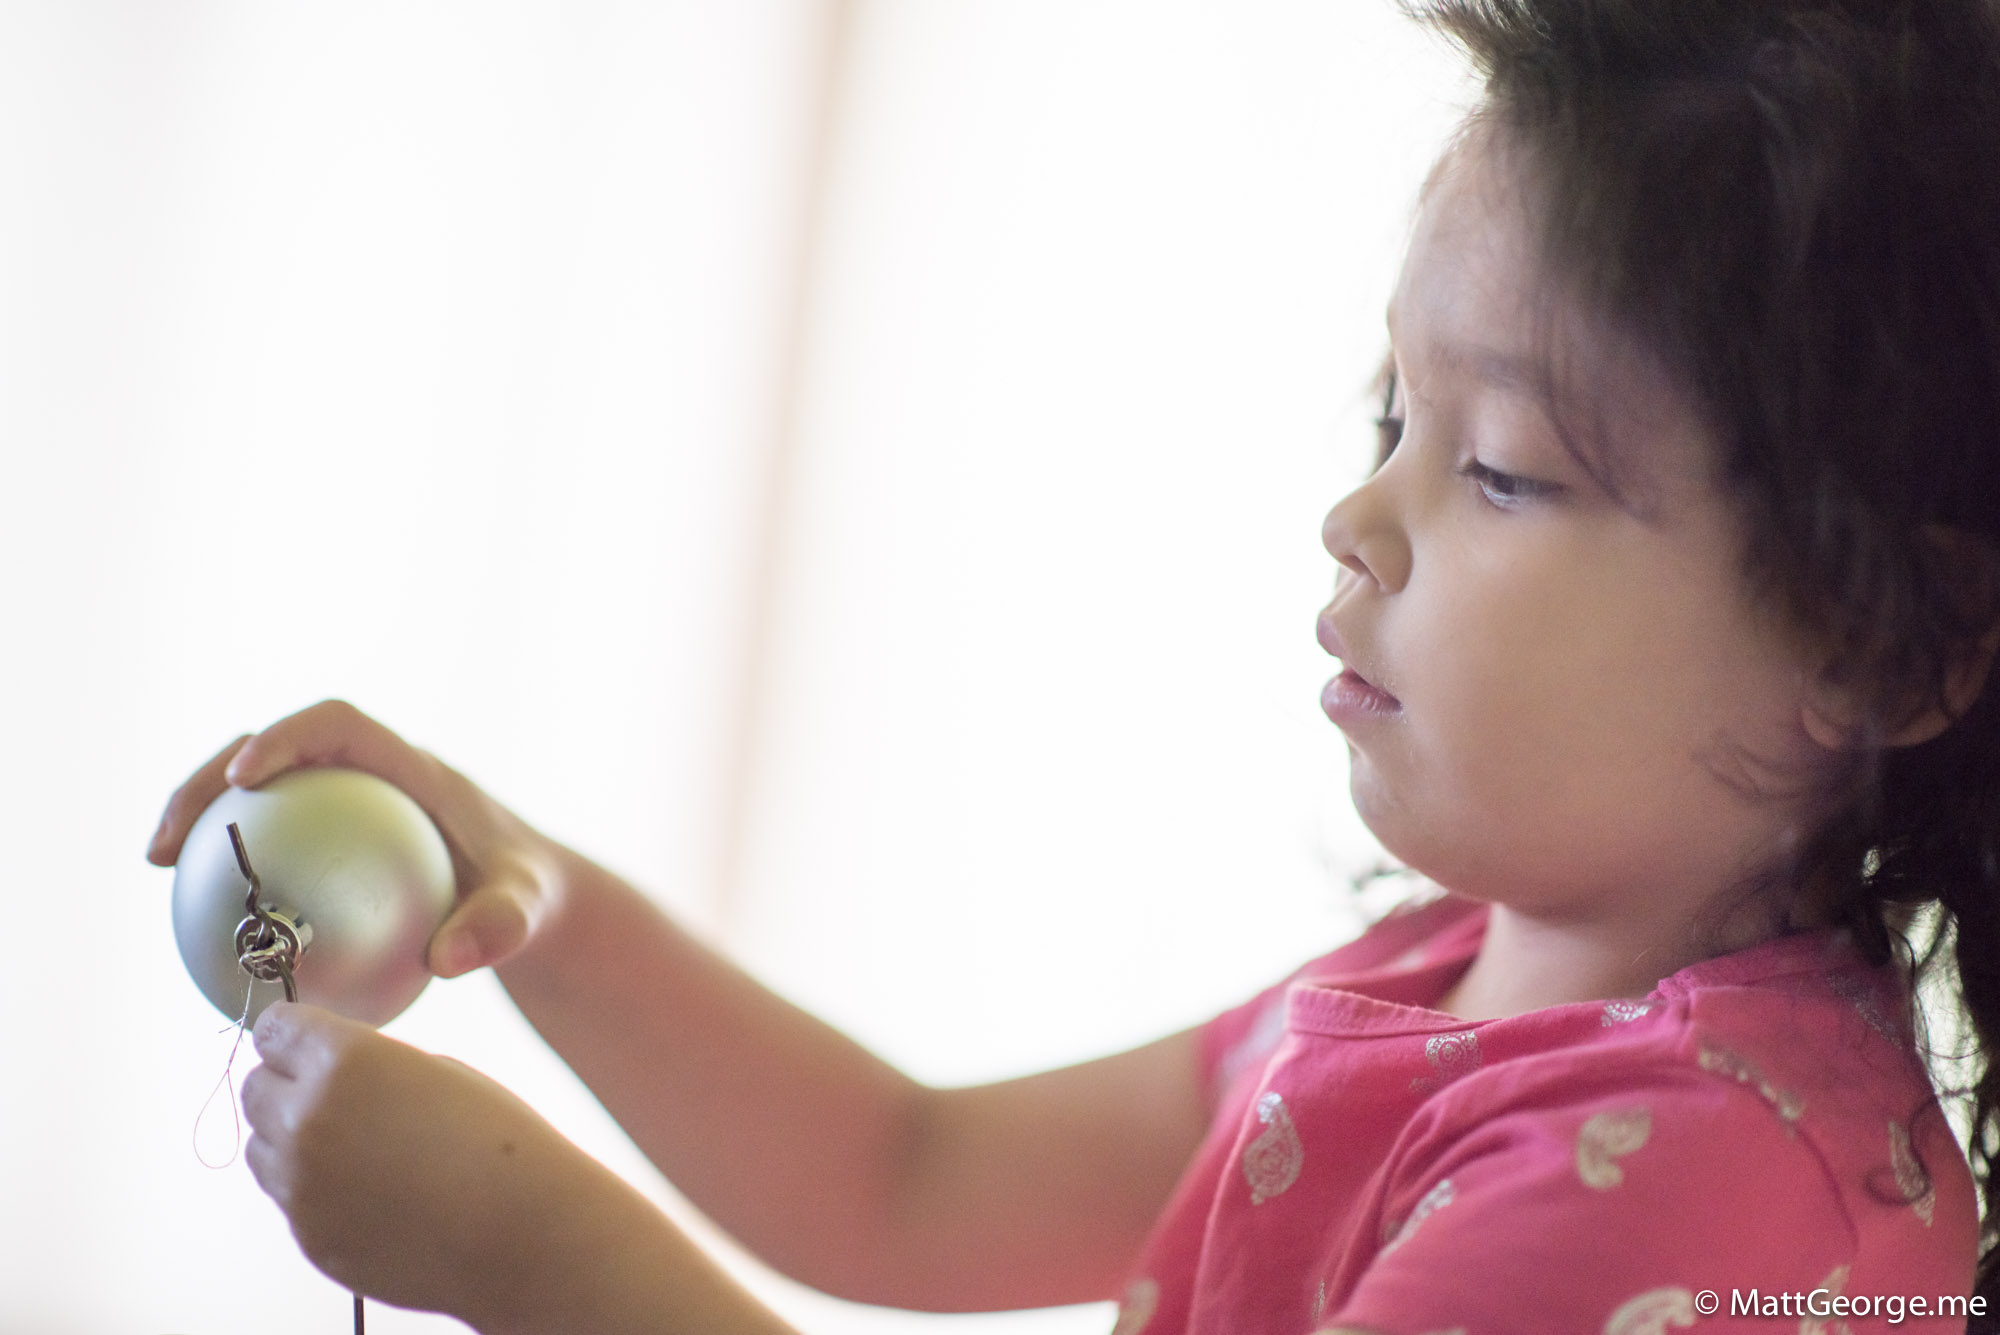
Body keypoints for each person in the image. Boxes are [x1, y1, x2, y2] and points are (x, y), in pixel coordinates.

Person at [148, 0, 2000, 1331]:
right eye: (1389, 417)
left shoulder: (1688, 1194)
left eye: (1503, 465)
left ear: (1874, 644)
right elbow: (904, 1176)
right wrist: (525, 897)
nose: (1358, 522)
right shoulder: (1457, 980)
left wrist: (536, 1264)